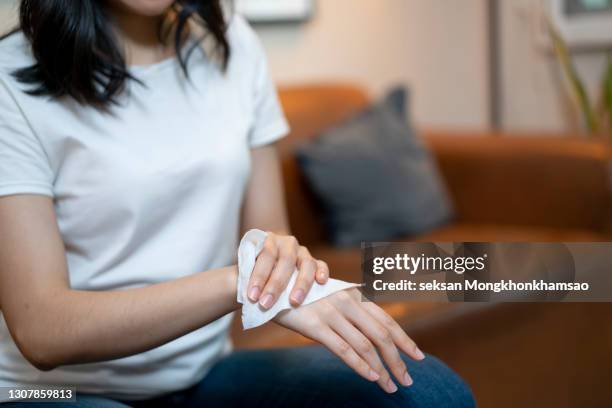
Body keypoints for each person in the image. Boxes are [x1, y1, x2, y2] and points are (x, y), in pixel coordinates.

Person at [0, 1, 475, 406]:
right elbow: (43, 331)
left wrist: (287, 277)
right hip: (50, 391)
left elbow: (267, 237)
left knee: (430, 392)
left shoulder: (232, 43)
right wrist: (240, 283)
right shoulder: (10, 80)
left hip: (199, 375)